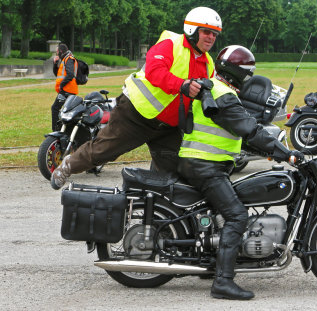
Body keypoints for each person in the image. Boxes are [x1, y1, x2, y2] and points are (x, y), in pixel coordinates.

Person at [177, 45, 303, 300]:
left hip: (201, 162)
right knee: (237, 216)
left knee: (223, 212)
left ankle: (212, 262)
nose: (250, 77)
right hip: (205, 166)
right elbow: (250, 130)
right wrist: (286, 153)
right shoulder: (223, 95)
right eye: (248, 72)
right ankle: (223, 281)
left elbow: (236, 132)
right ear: (239, 72)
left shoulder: (214, 87)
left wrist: (269, 149)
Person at [50, 7, 222, 190]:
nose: (211, 37)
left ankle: (160, 210)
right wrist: (182, 85)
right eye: (207, 32)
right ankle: (67, 166)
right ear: (192, 30)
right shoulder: (171, 44)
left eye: (215, 34)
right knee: (103, 151)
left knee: (177, 168)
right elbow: (155, 72)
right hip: (135, 115)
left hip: (167, 127)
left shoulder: (208, 64)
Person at [51, 43, 78, 131]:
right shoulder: (64, 59)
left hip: (67, 90)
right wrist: (55, 64)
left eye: (57, 51)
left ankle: (55, 131)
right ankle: (63, 130)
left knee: (55, 108)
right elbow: (58, 74)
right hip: (66, 90)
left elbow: (70, 75)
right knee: (65, 110)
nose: (57, 53)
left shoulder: (69, 59)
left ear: (61, 51)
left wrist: (62, 85)